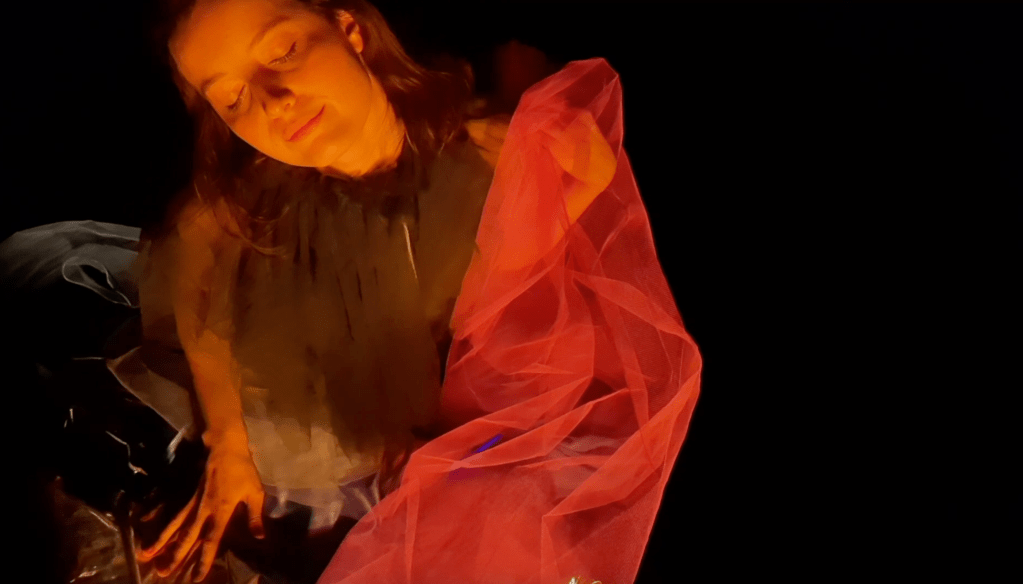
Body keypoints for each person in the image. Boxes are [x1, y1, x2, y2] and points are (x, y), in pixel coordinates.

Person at [4, 0, 701, 582]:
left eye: (282, 52)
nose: (272, 104)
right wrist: (230, 444)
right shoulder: (253, 200)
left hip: (418, 460)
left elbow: (526, 346)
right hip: (278, 437)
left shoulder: (497, 163)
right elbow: (194, 272)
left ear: (349, 28)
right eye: (232, 98)